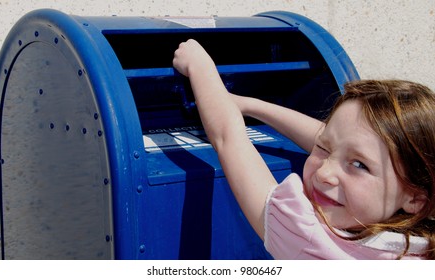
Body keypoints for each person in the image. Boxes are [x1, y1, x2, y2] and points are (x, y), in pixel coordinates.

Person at [172, 39, 435, 259]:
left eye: (358, 165)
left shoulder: (310, 239)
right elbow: (339, 141)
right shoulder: (420, 242)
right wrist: (249, 105)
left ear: (414, 198)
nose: (324, 173)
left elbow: (228, 138)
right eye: (322, 150)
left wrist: (199, 65)